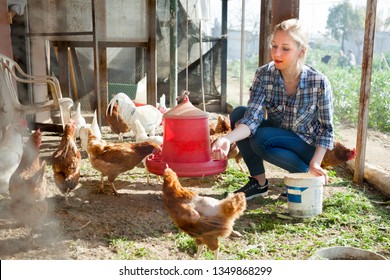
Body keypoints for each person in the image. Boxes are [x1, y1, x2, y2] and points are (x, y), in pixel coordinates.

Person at [211, 18, 334, 200]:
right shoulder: (264, 74)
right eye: (274, 45)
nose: (277, 53)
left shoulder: (319, 82)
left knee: (260, 138)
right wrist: (226, 139)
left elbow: (326, 129)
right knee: (239, 114)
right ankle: (259, 183)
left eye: (285, 48)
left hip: (304, 145)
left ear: (301, 52)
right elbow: (252, 118)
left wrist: (316, 162)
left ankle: (305, 173)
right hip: (277, 134)